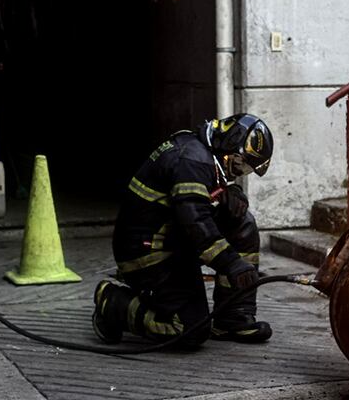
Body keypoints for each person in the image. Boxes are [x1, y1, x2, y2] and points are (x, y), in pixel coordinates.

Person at [93, 113, 275, 347]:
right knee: (190, 330)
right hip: (147, 254)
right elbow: (195, 222)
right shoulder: (192, 160)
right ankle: (113, 302)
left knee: (242, 223)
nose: (239, 172)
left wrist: (229, 196)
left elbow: (194, 208)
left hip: (171, 240)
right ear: (229, 145)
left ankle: (233, 318)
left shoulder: (199, 151)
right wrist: (231, 263)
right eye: (240, 164)